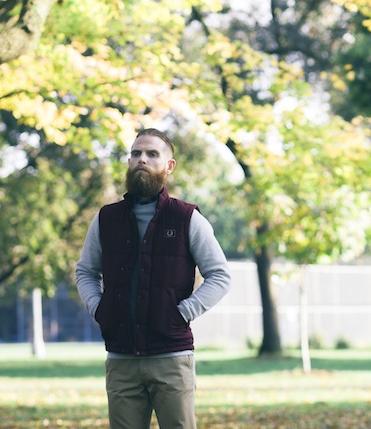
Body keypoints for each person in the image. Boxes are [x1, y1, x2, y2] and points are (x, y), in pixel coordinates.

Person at [75, 128, 231, 429]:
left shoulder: (187, 218)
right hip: (121, 359)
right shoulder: (106, 219)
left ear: (168, 166)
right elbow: (85, 271)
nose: (141, 160)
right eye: (135, 154)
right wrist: (98, 308)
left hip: (172, 357)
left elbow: (220, 275)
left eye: (151, 154)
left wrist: (183, 312)